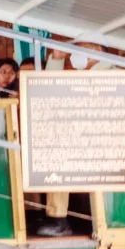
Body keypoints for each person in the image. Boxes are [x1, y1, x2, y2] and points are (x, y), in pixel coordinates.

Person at [36, 41, 105, 238]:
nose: (76, 54)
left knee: (59, 158)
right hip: (84, 139)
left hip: (107, 144)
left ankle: (58, 219)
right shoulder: (83, 73)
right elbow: (50, 89)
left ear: (98, 50)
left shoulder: (109, 72)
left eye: (82, 49)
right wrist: (57, 58)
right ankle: (49, 214)